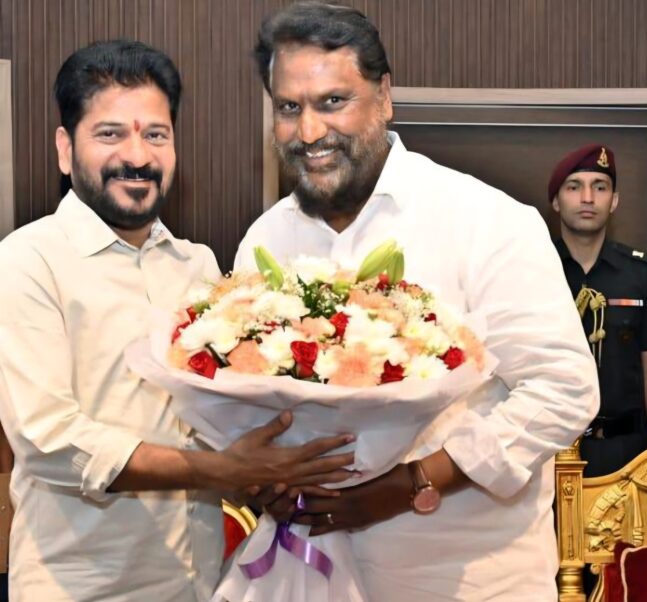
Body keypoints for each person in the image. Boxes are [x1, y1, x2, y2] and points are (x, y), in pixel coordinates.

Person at [234, 3, 599, 600]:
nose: (309, 131)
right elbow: (243, 402)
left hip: (467, 579)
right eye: (288, 108)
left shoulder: (485, 219)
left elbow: (563, 391)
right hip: (309, 573)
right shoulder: (266, 239)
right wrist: (261, 476)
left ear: (384, 97)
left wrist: (411, 484)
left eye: (333, 101)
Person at [0, 40, 356, 602]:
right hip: (83, 587)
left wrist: (271, 473)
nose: (137, 156)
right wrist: (218, 471)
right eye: (110, 134)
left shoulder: (199, 266)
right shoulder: (28, 260)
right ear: (65, 149)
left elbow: (216, 420)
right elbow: (49, 441)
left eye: (156, 135)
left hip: (199, 580)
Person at [548, 143, 647, 477]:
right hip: (547, 449)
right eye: (574, 187)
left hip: (625, 451)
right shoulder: (534, 269)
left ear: (614, 201)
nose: (587, 198)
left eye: (600, 187)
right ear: (556, 201)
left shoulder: (643, 274)